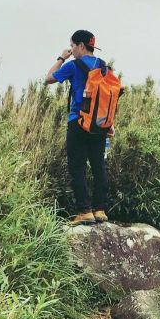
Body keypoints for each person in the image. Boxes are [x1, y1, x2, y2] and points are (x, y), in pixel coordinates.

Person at [44, 30, 111, 226]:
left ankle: (84, 211)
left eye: (72, 46)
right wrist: (109, 124)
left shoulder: (73, 65)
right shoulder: (104, 67)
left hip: (78, 121)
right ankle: (100, 210)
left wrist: (61, 58)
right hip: (99, 123)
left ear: (81, 46)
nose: (71, 50)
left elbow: (48, 79)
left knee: (77, 166)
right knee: (99, 166)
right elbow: (107, 97)